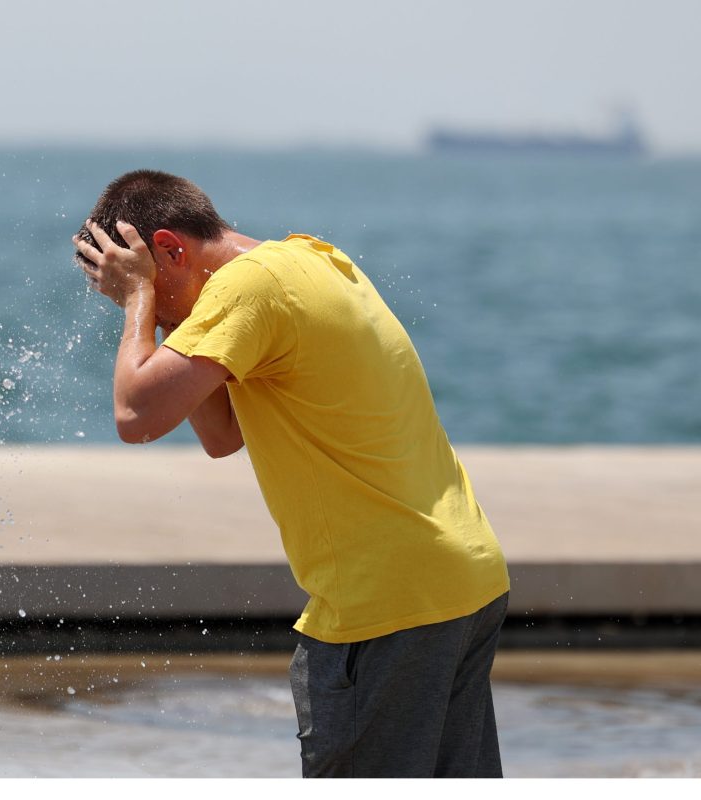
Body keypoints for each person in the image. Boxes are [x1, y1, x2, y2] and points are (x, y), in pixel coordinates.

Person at [71, 170, 510, 778]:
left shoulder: (248, 292)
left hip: (386, 604)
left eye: (145, 280)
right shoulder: (311, 261)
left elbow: (135, 414)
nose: (141, 308)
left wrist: (139, 301)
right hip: (460, 580)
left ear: (171, 248)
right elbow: (223, 436)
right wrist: (168, 308)